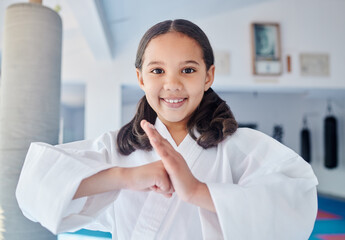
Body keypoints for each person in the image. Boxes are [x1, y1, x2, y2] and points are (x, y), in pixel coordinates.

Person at [16, 19, 318, 240]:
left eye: (188, 70)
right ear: (140, 78)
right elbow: (34, 186)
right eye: (157, 70)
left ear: (208, 76)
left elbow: (296, 203)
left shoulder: (240, 147)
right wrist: (127, 176)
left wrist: (198, 191)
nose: (172, 84)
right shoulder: (116, 149)